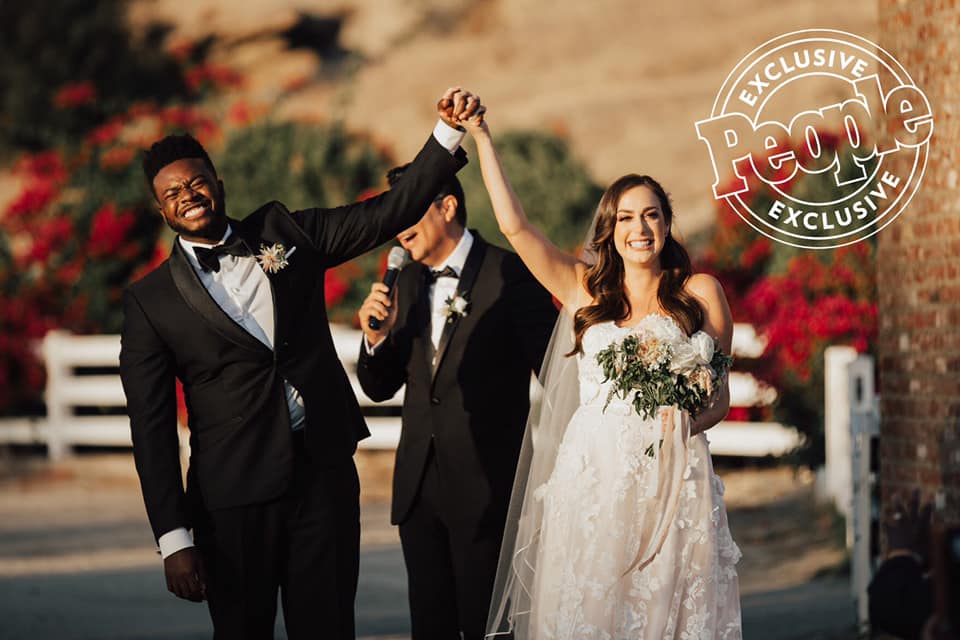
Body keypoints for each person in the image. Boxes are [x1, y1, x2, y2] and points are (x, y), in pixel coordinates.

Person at [118, 87, 483, 639]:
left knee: (329, 628)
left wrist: (446, 135)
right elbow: (149, 429)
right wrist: (174, 538)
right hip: (231, 500)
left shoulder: (286, 234)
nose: (187, 196)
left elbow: (387, 212)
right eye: (172, 193)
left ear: (219, 186)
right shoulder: (150, 301)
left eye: (196, 183)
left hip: (324, 478)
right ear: (161, 208)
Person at [461, 110, 743, 638]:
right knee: (593, 612)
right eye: (627, 217)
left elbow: (719, 399)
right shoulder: (583, 289)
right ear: (609, 230)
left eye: (653, 215)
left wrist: (681, 424)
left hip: (674, 476)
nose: (641, 229)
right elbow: (514, 227)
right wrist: (483, 137)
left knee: (672, 611)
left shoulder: (701, 293)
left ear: (666, 223)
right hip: (596, 475)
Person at [355, 159, 558, 639]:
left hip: (488, 486)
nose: (396, 227)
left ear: (447, 206)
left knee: (487, 627)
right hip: (418, 489)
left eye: (407, 211)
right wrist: (375, 339)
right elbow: (379, 387)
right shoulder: (403, 280)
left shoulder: (511, 273)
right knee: (430, 626)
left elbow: (552, 368)